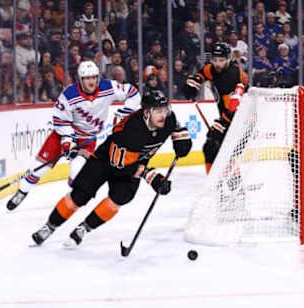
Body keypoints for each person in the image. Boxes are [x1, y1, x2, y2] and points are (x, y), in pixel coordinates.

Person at [31, 90, 192, 246]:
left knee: (120, 197)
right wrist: (153, 177)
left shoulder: (168, 119)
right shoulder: (131, 129)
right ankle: (50, 226)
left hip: (133, 162)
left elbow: (175, 126)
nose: (163, 115)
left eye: (165, 110)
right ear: (146, 112)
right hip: (106, 161)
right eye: (158, 111)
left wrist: (181, 136)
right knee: (79, 196)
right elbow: (120, 164)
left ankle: (83, 229)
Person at [6, 61, 141, 211]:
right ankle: (22, 191)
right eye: (87, 78)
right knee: (39, 168)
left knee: (77, 172)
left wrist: (125, 112)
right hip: (63, 134)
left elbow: (133, 93)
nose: (91, 81)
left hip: (87, 138)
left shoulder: (108, 87)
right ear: (80, 79)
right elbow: (60, 120)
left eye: (94, 77)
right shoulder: (69, 94)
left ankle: (73, 196)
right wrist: (67, 141)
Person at [183, 42, 249, 174]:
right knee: (212, 148)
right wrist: (193, 83)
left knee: (221, 149)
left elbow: (235, 108)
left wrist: (220, 125)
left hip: (242, 119)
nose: (217, 63)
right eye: (215, 60)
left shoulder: (232, 76)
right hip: (229, 115)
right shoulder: (214, 68)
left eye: (221, 60)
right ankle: (221, 184)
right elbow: (203, 73)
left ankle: (230, 185)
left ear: (228, 59)